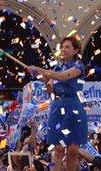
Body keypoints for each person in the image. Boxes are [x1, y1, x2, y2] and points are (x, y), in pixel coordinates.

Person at [26, 36, 88, 171]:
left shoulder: (78, 66)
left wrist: (39, 69)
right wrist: (46, 81)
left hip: (73, 107)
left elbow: (62, 77)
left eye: (68, 47)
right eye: (63, 47)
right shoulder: (56, 67)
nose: (64, 50)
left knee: (72, 151)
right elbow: (51, 92)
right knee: (58, 149)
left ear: (75, 50)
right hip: (57, 107)